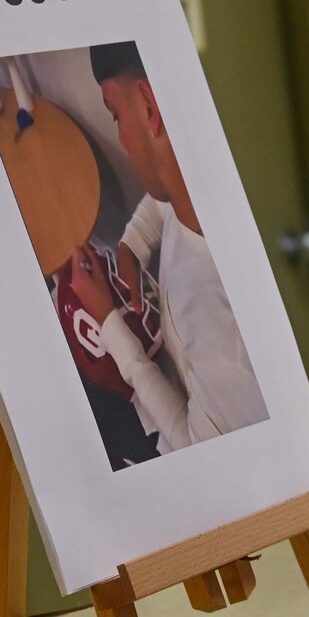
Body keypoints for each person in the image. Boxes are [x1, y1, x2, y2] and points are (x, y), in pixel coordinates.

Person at [68, 41, 267, 453]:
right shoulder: (199, 186)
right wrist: (131, 244)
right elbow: (165, 205)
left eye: (115, 115)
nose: (120, 136)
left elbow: (195, 447)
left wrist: (109, 324)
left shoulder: (218, 332)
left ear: (149, 106)